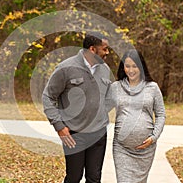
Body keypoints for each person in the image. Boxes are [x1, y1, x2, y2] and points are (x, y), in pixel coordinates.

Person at [42, 32, 112, 183]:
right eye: (105, 49)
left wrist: (100, 113)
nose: (107, 53)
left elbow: (110, 97)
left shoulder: (105, 69)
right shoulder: (66, 68)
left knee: (94, 178)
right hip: (73, 134)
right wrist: (59, 125)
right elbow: (48, 97)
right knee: (74, 177)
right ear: (93, 49)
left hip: (98, 133)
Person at [106, 49, 166, 183]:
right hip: (122, 148)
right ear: (123, 67)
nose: (131, 70)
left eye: (135, 66)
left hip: (146, 150)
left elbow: (161, 115)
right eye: (127, 66)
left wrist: (154, 137)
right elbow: (102, 110)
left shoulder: (152, 87)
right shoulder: (116, 87)